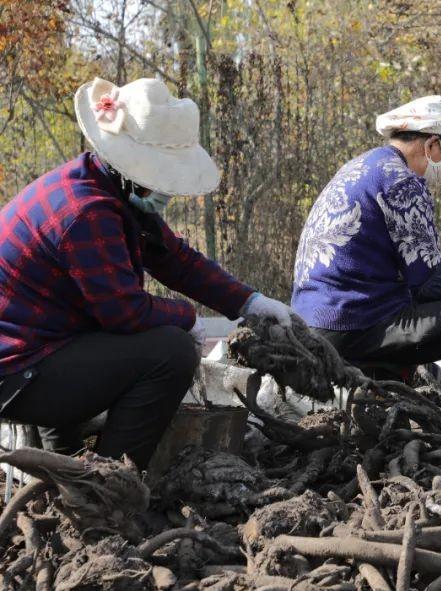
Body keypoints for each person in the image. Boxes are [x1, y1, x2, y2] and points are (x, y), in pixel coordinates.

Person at [0, 77, 293, 469]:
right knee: (168, 352)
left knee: (117, 339)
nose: (166, 189)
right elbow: (125, 313)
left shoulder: (102, 185)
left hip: (37, 348)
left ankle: (66, 467)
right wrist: (186, 318)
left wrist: (249, 301)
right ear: (130, 167)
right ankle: (106, 486)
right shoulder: (89, 213)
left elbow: (174, 259)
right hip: (17, 372)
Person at [291, 95, 441, 392]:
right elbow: (431, 280)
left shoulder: (361, 166)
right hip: (349, 327)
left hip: (312, 322)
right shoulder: (402, 181)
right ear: (432, 145)